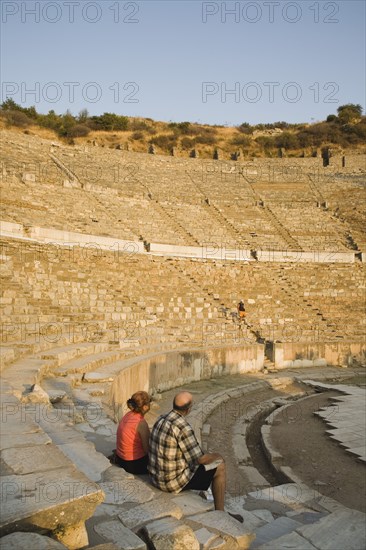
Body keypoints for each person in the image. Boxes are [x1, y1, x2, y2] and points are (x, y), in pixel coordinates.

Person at [148, 391, 243, 522]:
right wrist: (218, 456)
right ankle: (221, 513)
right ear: (188, 409)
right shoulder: (183, 427)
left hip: (156, 477)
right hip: (171, 483)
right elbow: (200, 459)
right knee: (220, 466)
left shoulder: (161, 418)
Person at [115, 391, 151, 474]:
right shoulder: (141, 423)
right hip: (134, 464)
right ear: (145, 407)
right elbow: (147, 450)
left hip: (121, 459)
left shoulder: (128, 415)